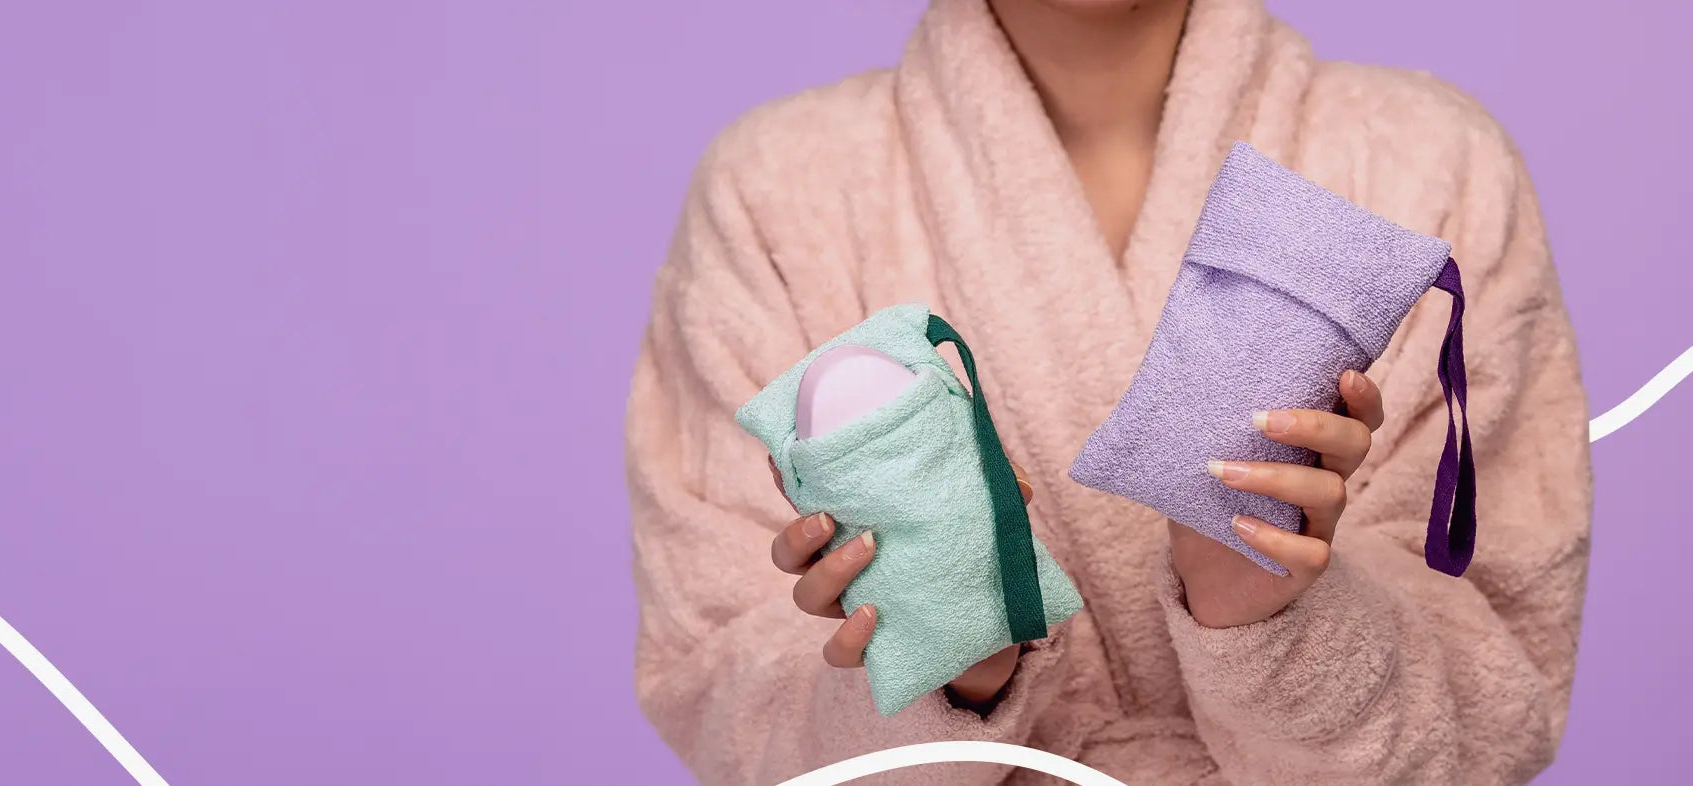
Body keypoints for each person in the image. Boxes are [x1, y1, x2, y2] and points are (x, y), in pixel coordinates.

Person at [622, 0, 1591, 783]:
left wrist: (1265, 617)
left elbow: (1502, 696)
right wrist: (949, 675)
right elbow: (722, 697)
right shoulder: (775, 192)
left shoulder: (1431, 166)